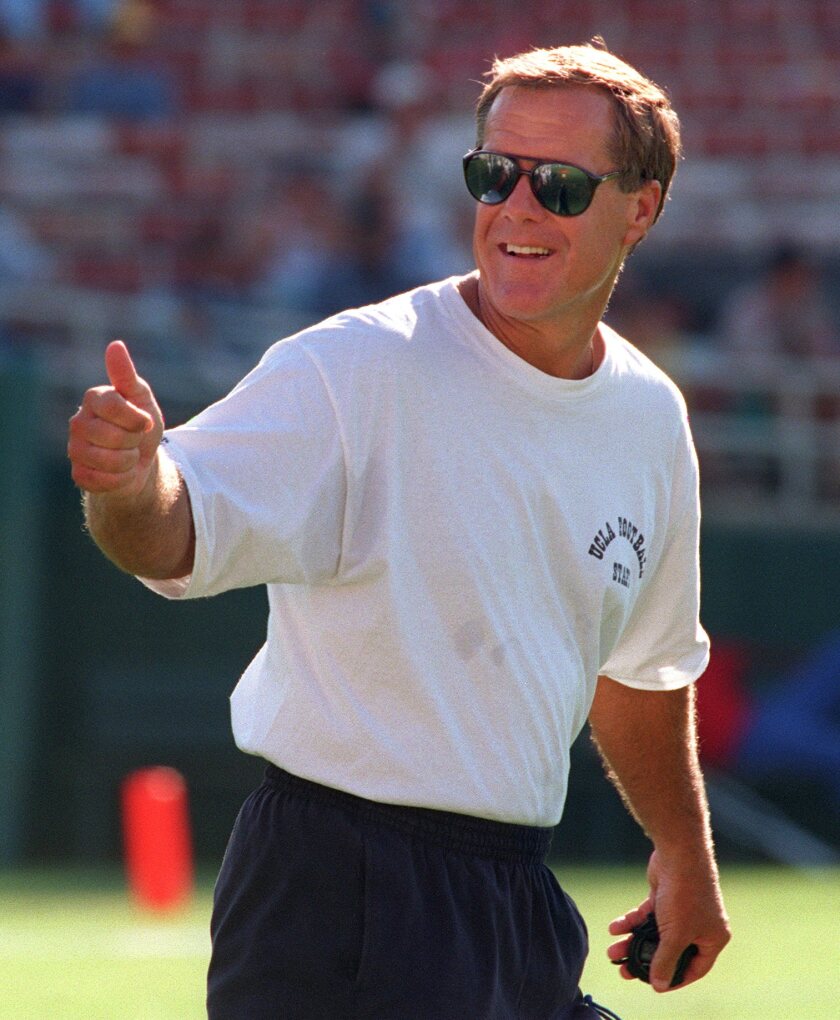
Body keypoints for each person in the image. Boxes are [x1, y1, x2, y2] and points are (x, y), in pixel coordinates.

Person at [67, 41, 731, 1019]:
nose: (517, 208)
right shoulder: (356, 368)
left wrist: (685, 853)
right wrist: (127, 482)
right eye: (494, 174)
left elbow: (640, 670)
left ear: (642, 207)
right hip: (338, 892)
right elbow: (173, 534)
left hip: (514, 896)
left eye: (559, 184)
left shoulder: (648, 415)